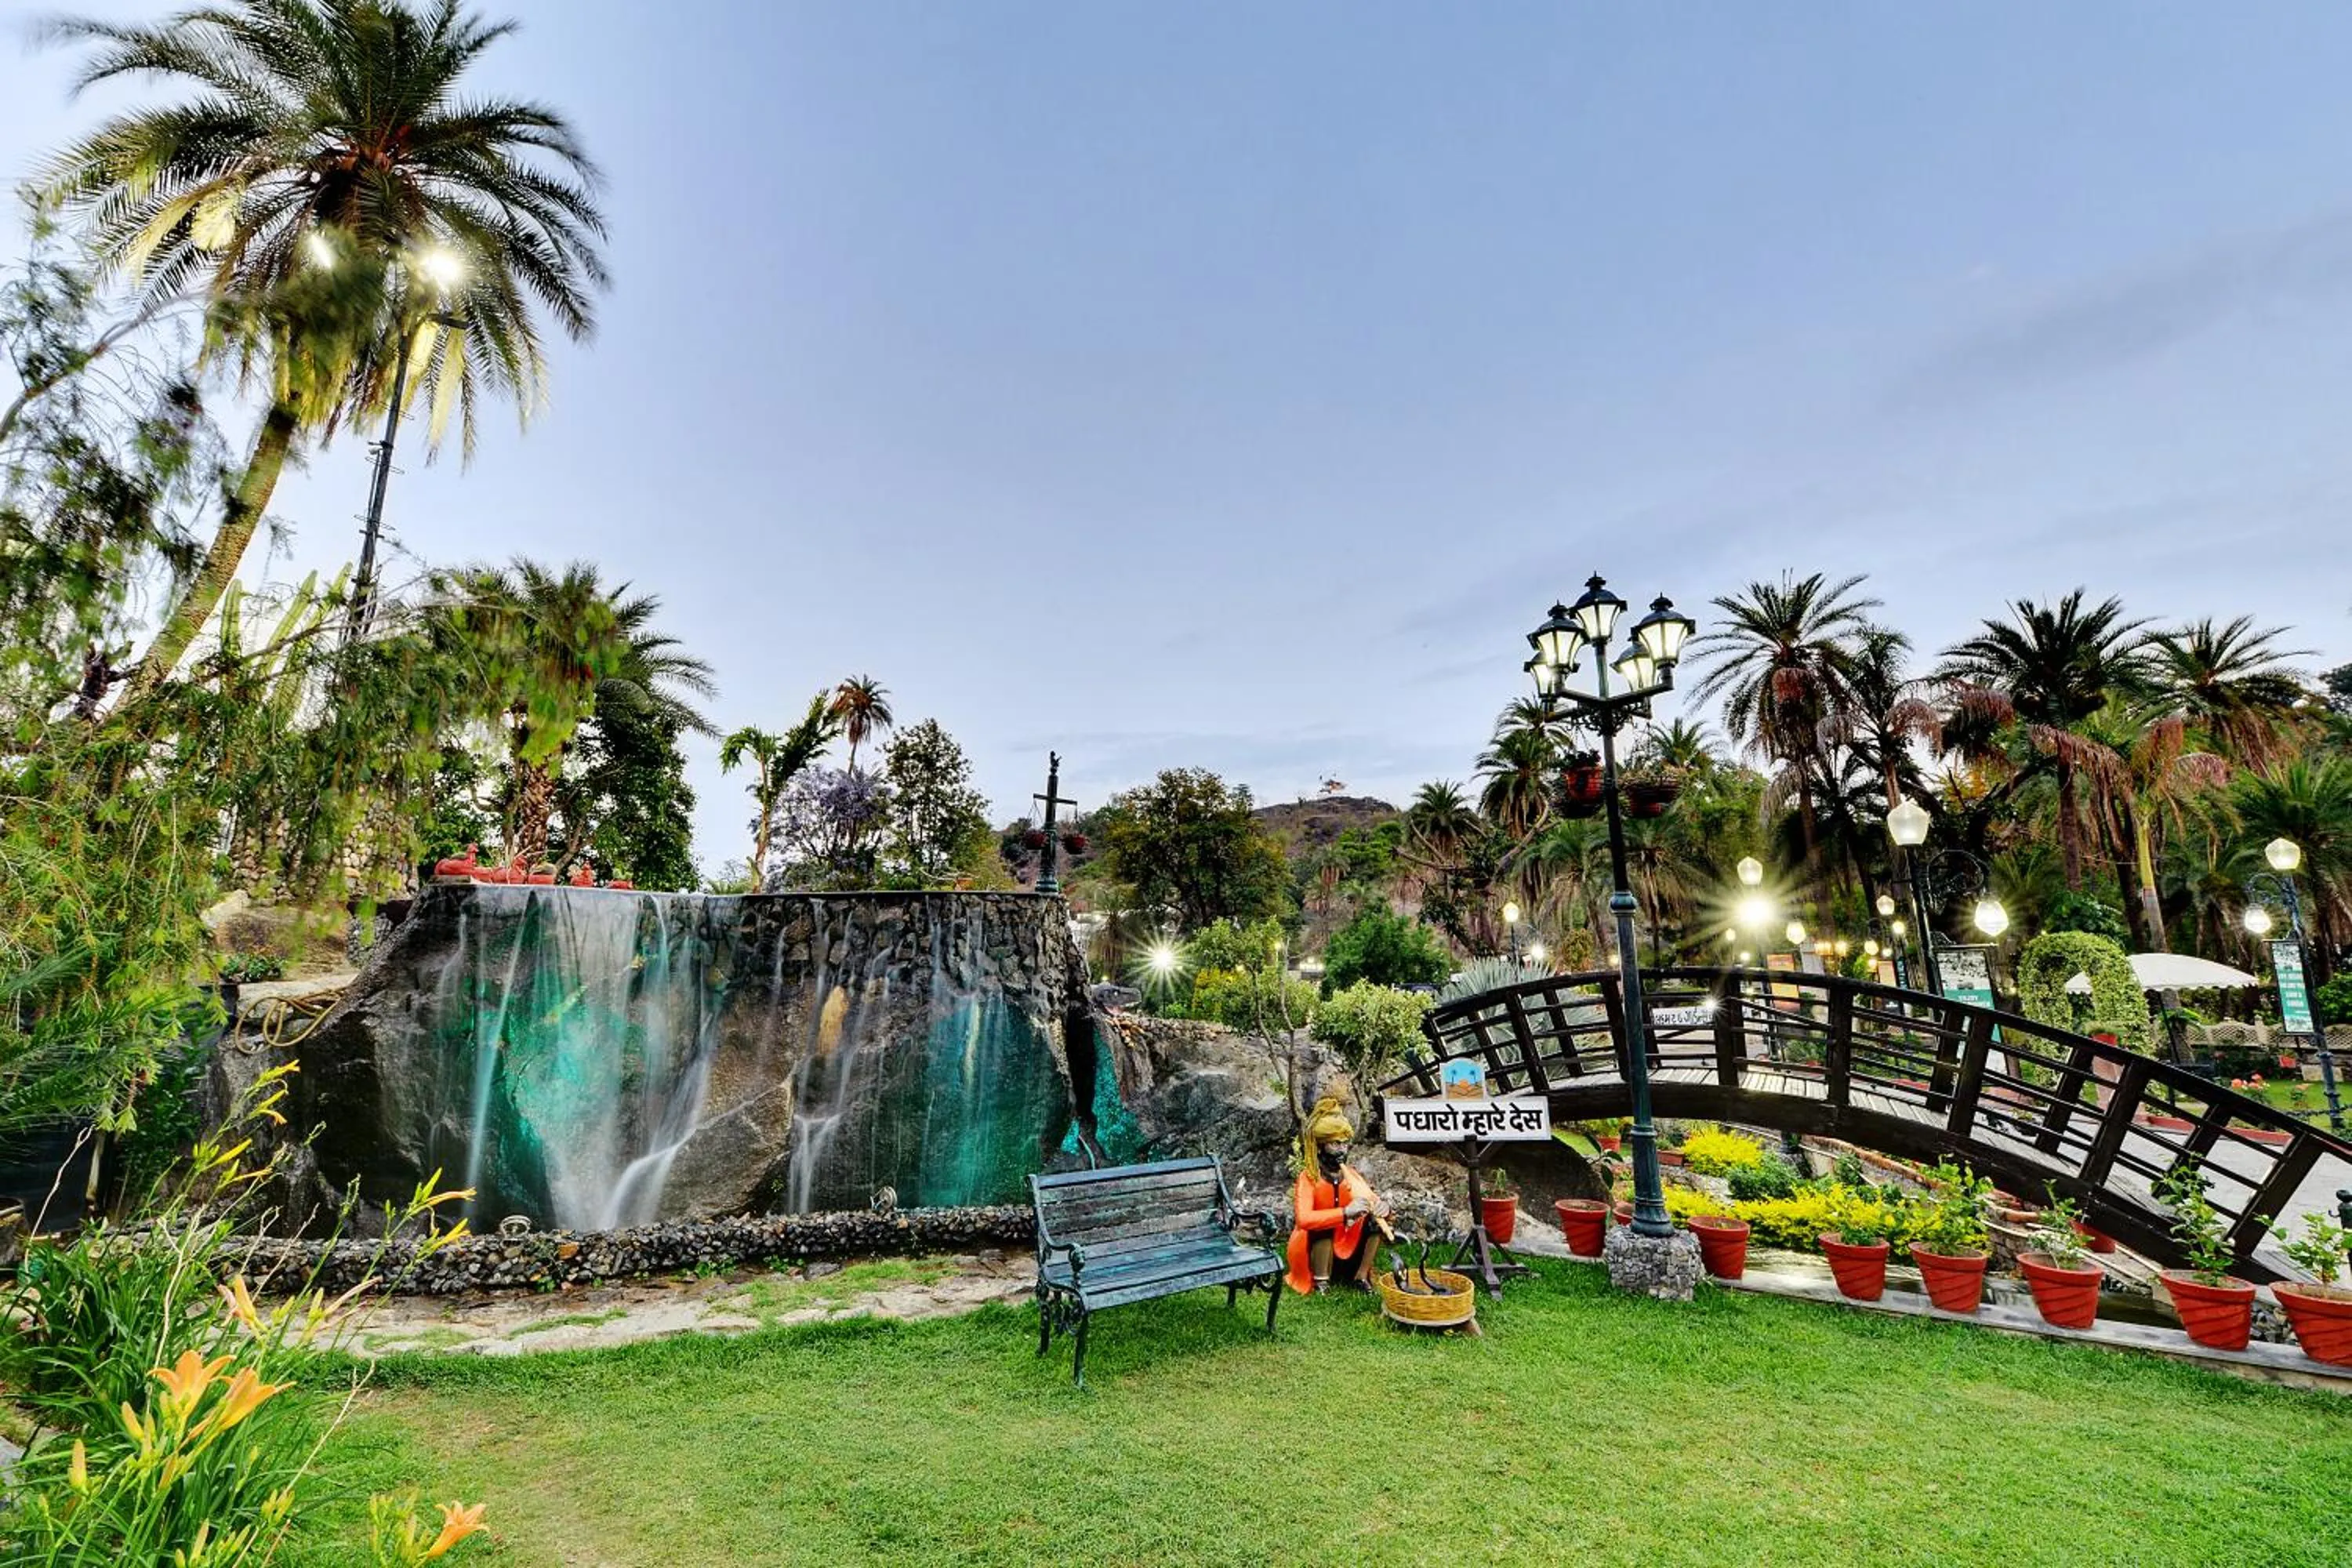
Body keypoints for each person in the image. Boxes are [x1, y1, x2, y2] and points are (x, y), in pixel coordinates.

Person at [1284, 1097, 1390, 1294]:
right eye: (1335, 1144)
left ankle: (1361, 1276)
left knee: (1374, 1223)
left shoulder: (1352, 1175)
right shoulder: (1308, 1178)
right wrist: (1344, 1213)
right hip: (1315, 1246)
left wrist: (1383, 1208)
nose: (1342, 1150)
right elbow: (1303, 1219)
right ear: (1320, 1147)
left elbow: (1372, 1200)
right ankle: (1321, 1281)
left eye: (1344, 1144)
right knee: (1323, 1225)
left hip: (1347, 1243)